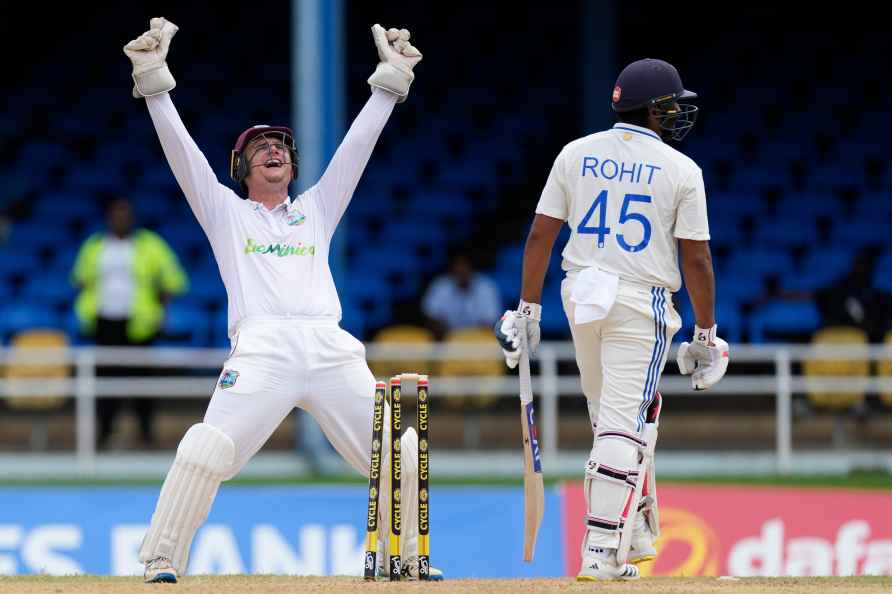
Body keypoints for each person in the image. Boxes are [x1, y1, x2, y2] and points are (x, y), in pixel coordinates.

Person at [123, 18, 440, 582]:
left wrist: (391, 79)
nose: (273, 151)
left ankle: (408, 561)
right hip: (262, 347)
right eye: (260, 147)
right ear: (242, 169)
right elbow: (181, 153)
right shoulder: (226, 211)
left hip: (329, 345)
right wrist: (153, 78)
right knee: (206, 449)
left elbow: (357, 148)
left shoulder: (316, 208)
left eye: (281, 146)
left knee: (400, 449)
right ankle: (161, 559)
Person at [494, 58, 729, 581]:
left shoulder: (575, 153)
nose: (678, 113)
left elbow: (539, 236)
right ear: (655, 109)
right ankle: (601, 550)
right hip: (637, 303)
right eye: (672, 104)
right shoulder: (681, 169)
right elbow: (696, 259)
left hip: (580, 296)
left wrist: (527, 310)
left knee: (612, 419)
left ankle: (633, 534)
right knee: (623, 423)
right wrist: (706, 334)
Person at [71, 197, 188, 449]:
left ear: (133, 218)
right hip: (104, 322)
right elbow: (79, 279)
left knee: (142, 380)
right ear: (108, 218)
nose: (121, 219)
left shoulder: (150, 245)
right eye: (116, 214)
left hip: (140, 325)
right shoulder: (95, 246)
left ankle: (146, 435)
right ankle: (102, 435)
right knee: (104, 381)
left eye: (125, 214)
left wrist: (161, 310)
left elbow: (173, 281)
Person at [421, 252, 502, 339]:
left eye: (464, 267)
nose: (461, 271)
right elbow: (430, 316)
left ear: (472, 269)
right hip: (447, 340)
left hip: (477, 340)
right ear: (452, 270)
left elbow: (491, 321)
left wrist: (467, 336)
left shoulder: (486, 287)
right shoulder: (441, 285)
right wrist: (442, 329)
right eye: (458, 268)